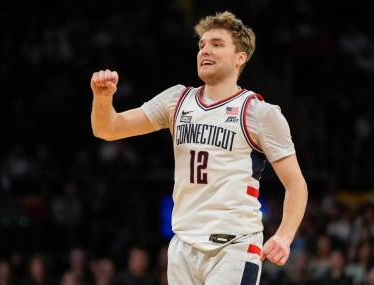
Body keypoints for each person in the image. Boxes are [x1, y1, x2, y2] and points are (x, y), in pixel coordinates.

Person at [90, 11, 308, 285]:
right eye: (202, 45)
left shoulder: (259, 113)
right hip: (183, 243)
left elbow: (296, 185)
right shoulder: (176, 100)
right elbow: (108, 129)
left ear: (240, 58)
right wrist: (102, 99)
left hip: (234, 245)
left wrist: (285, 236)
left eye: (217, 44)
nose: (205, 50)